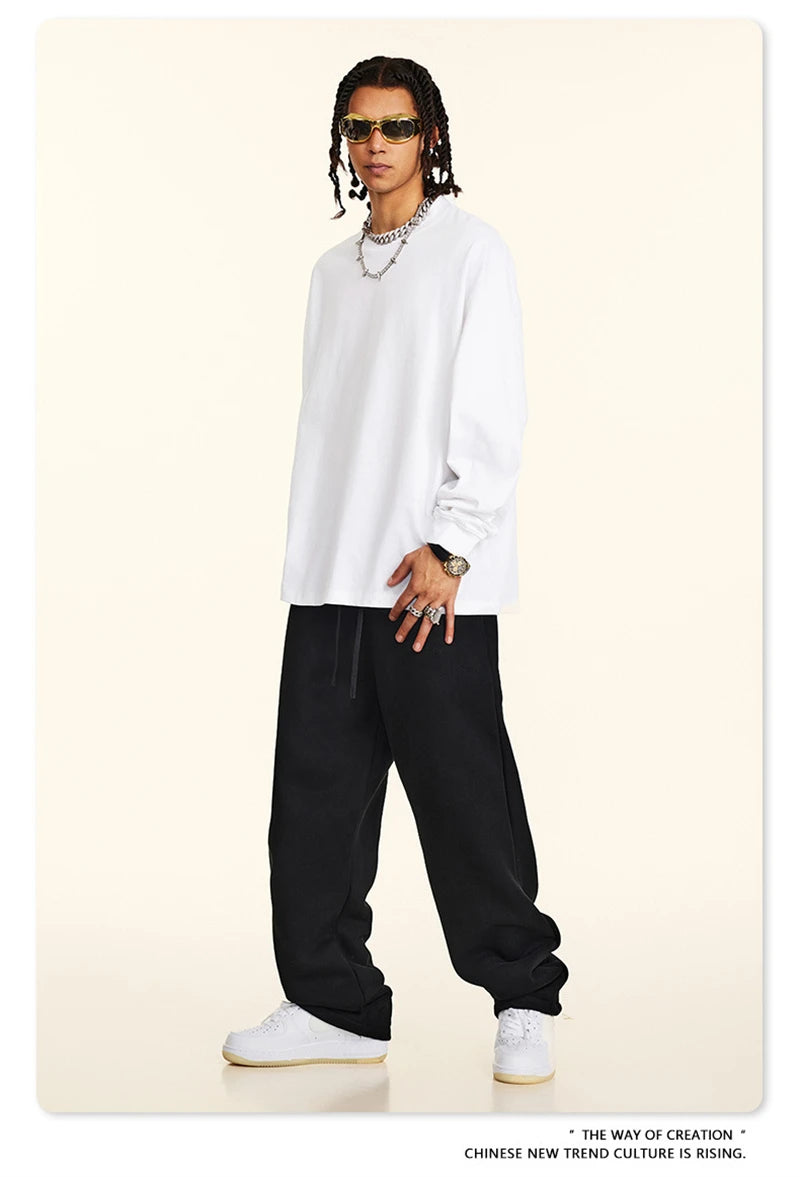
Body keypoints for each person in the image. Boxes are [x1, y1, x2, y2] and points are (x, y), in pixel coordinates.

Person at [222, 55, 569, 1085]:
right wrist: (314, 556)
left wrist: (453, 544)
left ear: (431, 137)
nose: (376, 145)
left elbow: (493, 407)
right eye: (360, 127)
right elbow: (337, 428)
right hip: (332, 577)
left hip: (429, 583)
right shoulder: (331, 273)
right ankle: (334, 1005)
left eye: (397, 126)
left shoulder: (470, 252)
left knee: (464, 799)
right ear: (344, 139)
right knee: (312, 808)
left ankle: (522, 995)